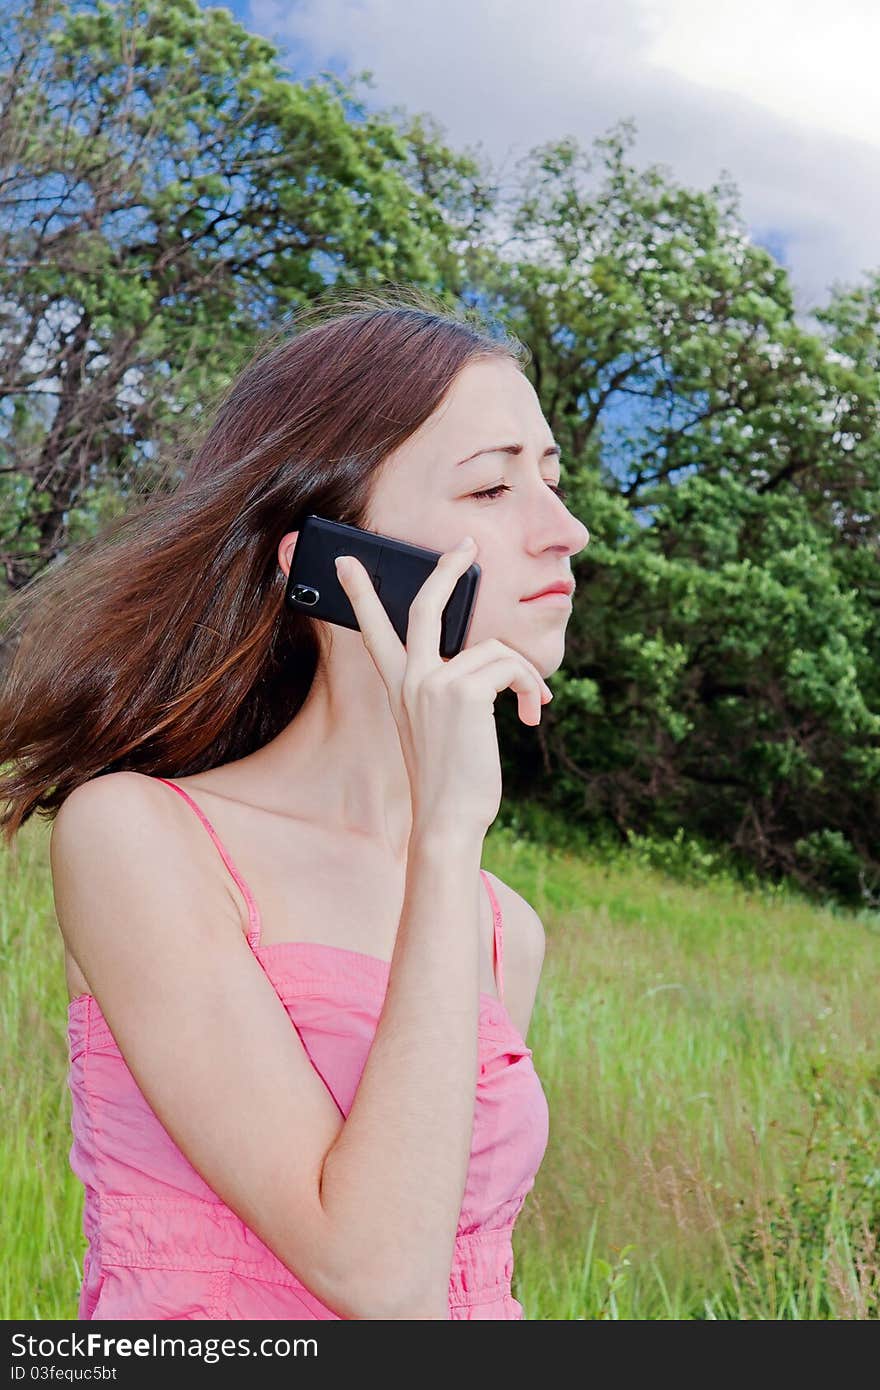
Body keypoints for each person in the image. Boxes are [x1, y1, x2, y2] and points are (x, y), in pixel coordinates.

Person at [0, 285, 590, 1320]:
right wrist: (447, 841)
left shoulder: (506, 930)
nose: (566, 531)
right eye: (492, 490)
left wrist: (448, 859)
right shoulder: (143, 837)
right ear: (325, 560)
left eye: (553, 479)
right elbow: (377, 1277)